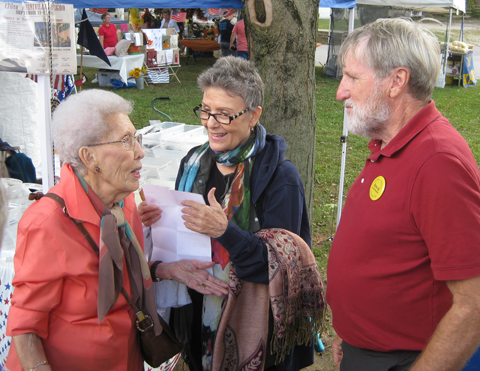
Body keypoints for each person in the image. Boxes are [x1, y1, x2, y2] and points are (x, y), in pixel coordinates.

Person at [139, 56, 324, 371]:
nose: (211, 123)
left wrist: (224, 230)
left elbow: (277, 269)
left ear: (254, 116)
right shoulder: (193, 162)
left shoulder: (280, 178)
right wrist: (156, 221)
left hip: (253, 327)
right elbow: (180, 239)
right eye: (206, 111)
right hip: (196, 315)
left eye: (224, 115)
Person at [327, 18, 480, 371]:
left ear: (397, 81)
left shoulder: (437, 161)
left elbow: (473, 302)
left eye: (352, 77)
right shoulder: (391, 144)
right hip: (366, 349)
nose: (340, 91)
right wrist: (350, 333)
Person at [5, 89, 162, 371]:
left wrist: (167, 270)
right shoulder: (46, 223)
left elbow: (127, 276)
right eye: (126, 141)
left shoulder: (123, 202)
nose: (140, 151)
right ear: (89, 157)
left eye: (136, 138)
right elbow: (25, 323)